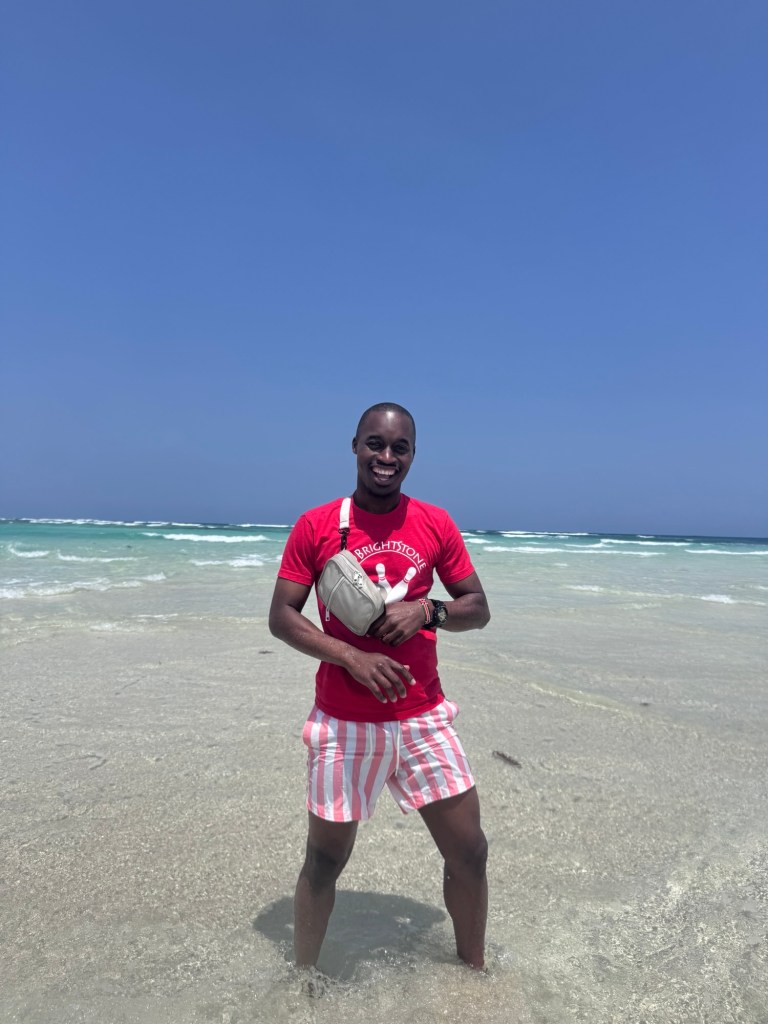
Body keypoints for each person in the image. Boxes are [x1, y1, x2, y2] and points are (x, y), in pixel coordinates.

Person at [268, 402, 491, 972]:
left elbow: (478, 608)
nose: (386, 457)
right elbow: (282, 617)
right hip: (344, 722)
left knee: (469, 852)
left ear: (413, 456)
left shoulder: (435, 523)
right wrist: (351, 657)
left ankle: (474, 976)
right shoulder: (316, 525)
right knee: (324, 861)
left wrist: (428, 610)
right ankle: (303, 985)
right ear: (355, 446)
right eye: (375, 444)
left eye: (399, 447)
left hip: (423, 717)